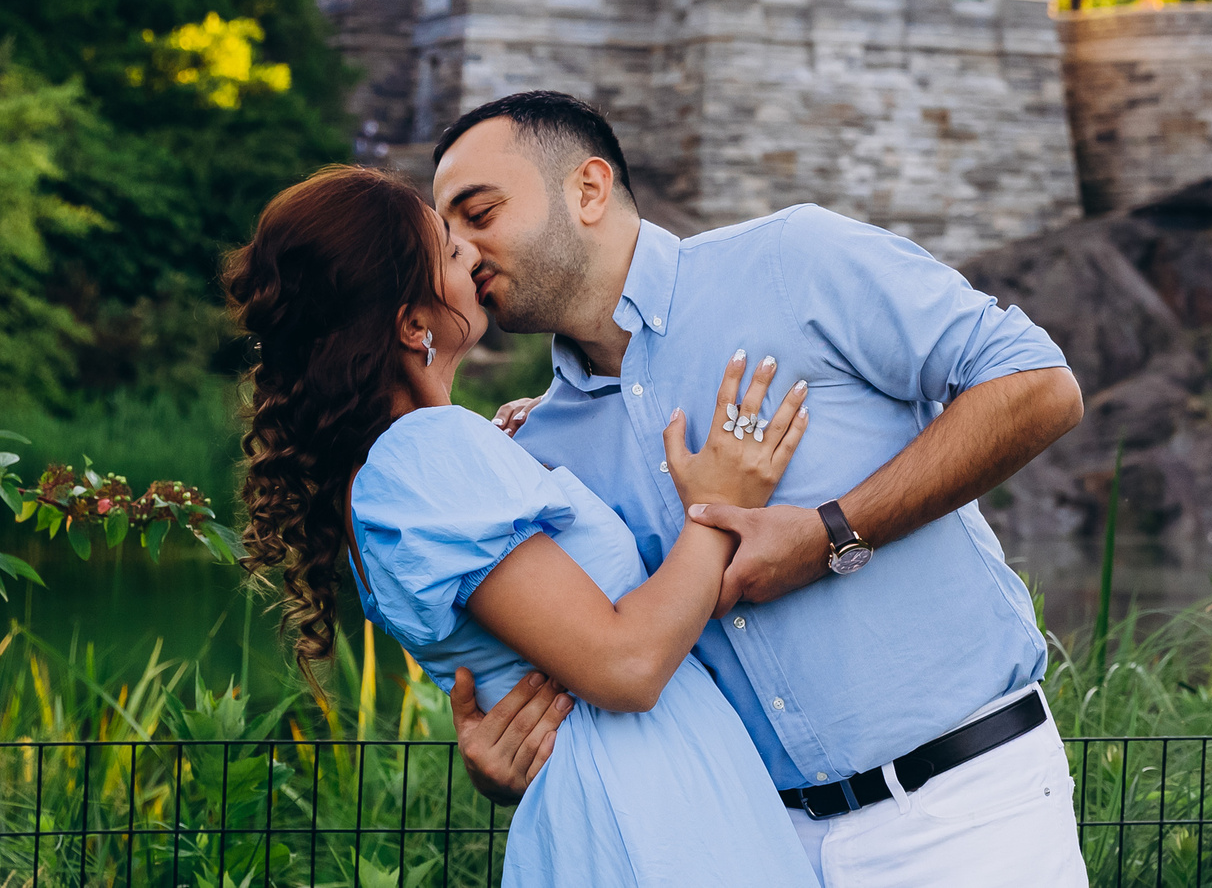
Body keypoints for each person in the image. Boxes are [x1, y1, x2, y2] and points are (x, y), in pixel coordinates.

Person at [430, 92, 1088, 888]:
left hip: (969, 815)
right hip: (748, 848)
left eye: (479, 213)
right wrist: (514, 758)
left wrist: (830, 534)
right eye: (447, 235)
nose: (461, 252)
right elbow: (610, 660)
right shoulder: (537, 451)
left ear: (589, 190)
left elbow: (1040, 386)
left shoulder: (794, 261)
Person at [228, 165, 820, 888]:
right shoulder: (425, 455)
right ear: (413, 325)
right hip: (646, 813)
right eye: (449, 251)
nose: (473, 257)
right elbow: (625, 667)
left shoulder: (409, 463)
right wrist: (717, 506)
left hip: (635, 794)